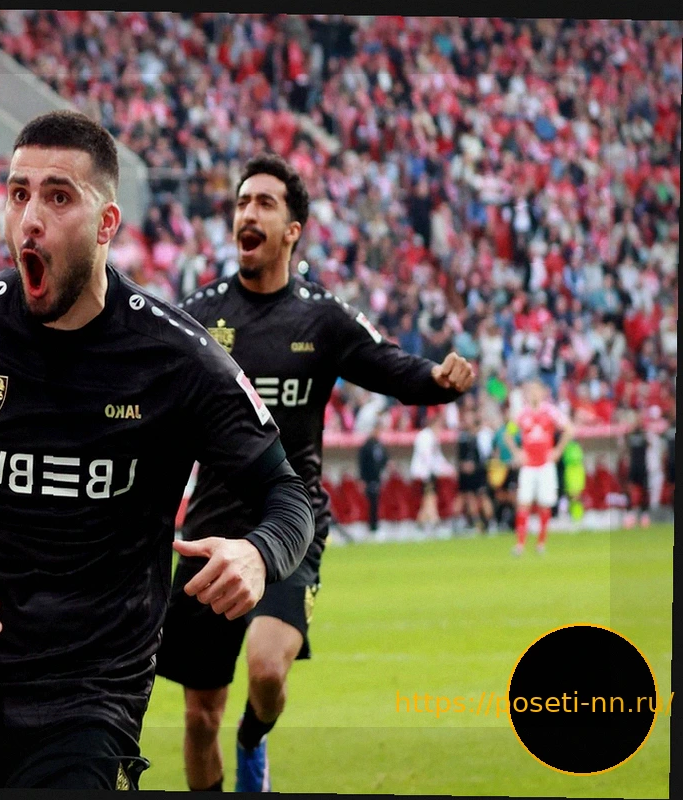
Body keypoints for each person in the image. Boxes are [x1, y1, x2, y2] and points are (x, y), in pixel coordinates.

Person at [0, 111, 315, 789]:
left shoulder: (177, 359)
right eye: (18, 193)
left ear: (106, 223)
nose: (30, 219)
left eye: (58, 197)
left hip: (85, 706)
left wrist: (259, 554)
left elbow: (287, 494)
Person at [157, 153, 475, 793]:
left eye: (264, 203)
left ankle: (253, 739)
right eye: (242, 203)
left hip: (288, 524)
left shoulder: (322, 317)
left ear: (292, 230)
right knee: (197, 718)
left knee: (267, 672)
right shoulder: (200, 314)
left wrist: (439, 380)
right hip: (210, 529)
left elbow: (390, 365)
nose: (247, 213)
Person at [506, 380, 574, 556]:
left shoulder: (550, 411)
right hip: (528, 466)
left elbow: (569, 429)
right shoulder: (522, 413)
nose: (534, 394)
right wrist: (517, 452)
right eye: (531, 391)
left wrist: (557, 450)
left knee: (545, 504)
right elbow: (508, 434)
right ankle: (520, 544)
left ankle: (541, 543)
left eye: (537, 391)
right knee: (523, 504)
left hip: (545, 465)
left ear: (543, 393)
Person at [454, 407, 493, 534]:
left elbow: (486, 455)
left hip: (480, 471)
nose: (466, 420)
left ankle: (490, 523)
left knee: (483, 496)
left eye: (469, 417)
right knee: (470, 497)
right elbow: (459, 456)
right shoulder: (463, 436)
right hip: (467, 473)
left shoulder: (483, 434)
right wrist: (462, 465)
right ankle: (476, 524)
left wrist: (475, 466)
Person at [357, 418, 389, 535]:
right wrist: (362, 479)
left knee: (376, 502)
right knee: (371, 503)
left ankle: (375, 526)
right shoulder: (366, 446)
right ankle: (371, 528)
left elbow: (385, 459)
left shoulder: (379, 445)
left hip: (378, 478)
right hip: (368, 478)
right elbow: (362, 463)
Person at [620, 411, 652, 528]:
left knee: (645, 491)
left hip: (642, 466)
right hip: (633, 466)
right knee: (629, 490)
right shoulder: (630, 434)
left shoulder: (644, 433)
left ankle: (644, 515)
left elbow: (650, 445)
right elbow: (624, 446)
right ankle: (630, 514)